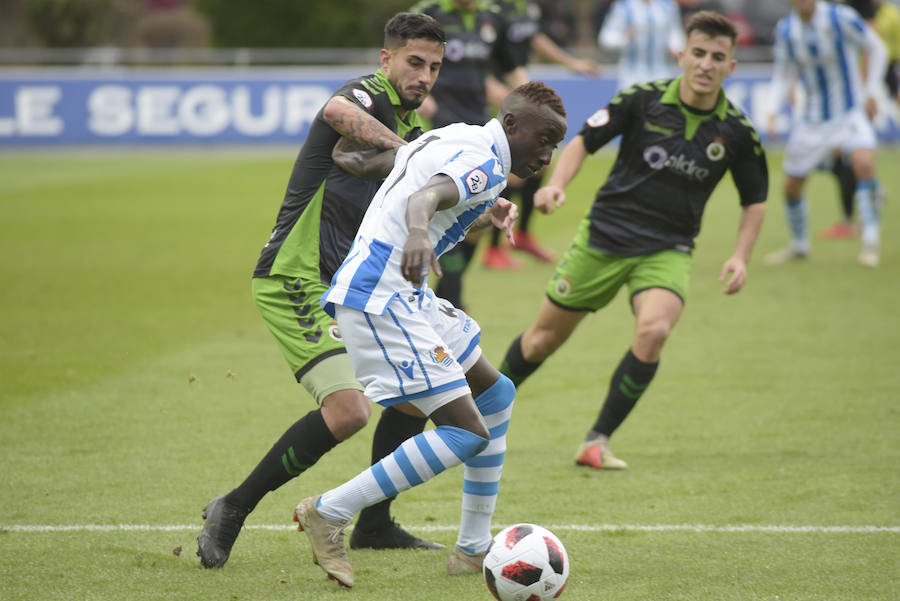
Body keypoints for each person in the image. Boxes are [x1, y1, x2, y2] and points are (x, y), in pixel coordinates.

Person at [195, 13, 448, 569]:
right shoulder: (369, 95)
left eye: (434, 66)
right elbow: (335, 112)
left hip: (346, 284)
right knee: (350, 410)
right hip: (295, 274)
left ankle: (374, 525)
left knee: (416, 390)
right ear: (386, 59)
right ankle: (233, 507)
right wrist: (413, 156)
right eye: (414, 62)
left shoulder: (409, 125)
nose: (425, 75)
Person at [293, 82, 567, 588]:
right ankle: (329, 511)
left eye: (555, 144)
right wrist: (417, 232)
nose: (547, 155)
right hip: (382, 297)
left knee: (497, 393)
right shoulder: (484, 161)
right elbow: (425, 196)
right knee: (467, 433)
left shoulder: (459, 135)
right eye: (544, 139)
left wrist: (487, 210)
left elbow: (388, 166)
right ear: (511, 124)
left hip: (403, 295)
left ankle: (473, 548)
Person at [499, 11, 768, 470]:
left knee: (654, 330)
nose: (706, 64)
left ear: (731, 66)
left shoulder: (737, 132)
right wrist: (556, 185)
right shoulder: (642, 99)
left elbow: (755, 200)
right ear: (682, 55)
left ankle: (597, 441)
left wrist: (741, 257)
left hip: (667, 249)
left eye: (717, 57)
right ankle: (478, 412)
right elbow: (584, 141)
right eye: (698, 53)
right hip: (603, 237)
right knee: (541, 341)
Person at [764, 0, 887, 268]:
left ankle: (870, 243)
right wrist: (772, 110)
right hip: (812, 120)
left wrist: (872, 90)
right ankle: (799, 246)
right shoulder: (786, 30)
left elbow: (876, 47)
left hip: (849, 113)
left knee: (864, 163)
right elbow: (782, 74)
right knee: (791, 187)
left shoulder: (841, 17)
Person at [411, 0, 516, 306]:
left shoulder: (492, 17)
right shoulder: (429, 13)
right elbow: (404, 61)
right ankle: (451, 298)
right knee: (447, 208)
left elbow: (506, 69)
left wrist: (527, 106)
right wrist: (421, 98)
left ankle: (447, 292)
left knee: (477, 220)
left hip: (481, 127)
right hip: (440, 125)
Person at [483, 0, 603, 269]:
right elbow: (478, 60)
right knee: (512, 172)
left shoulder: (526, 7)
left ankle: (523, 234)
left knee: (539, 163)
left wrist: (571, 63)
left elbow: (534, 39)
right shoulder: (490, 10)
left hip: (513, 88)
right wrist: (500, 94)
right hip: (489, 95)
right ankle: (492, 248)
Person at [598, 0, 686, 91]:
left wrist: (675, 48)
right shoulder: (623, 7)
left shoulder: (668, 6)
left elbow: (676, 34)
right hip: (631, 74)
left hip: (662, 72)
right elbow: (606, 39)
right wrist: (624, 38)